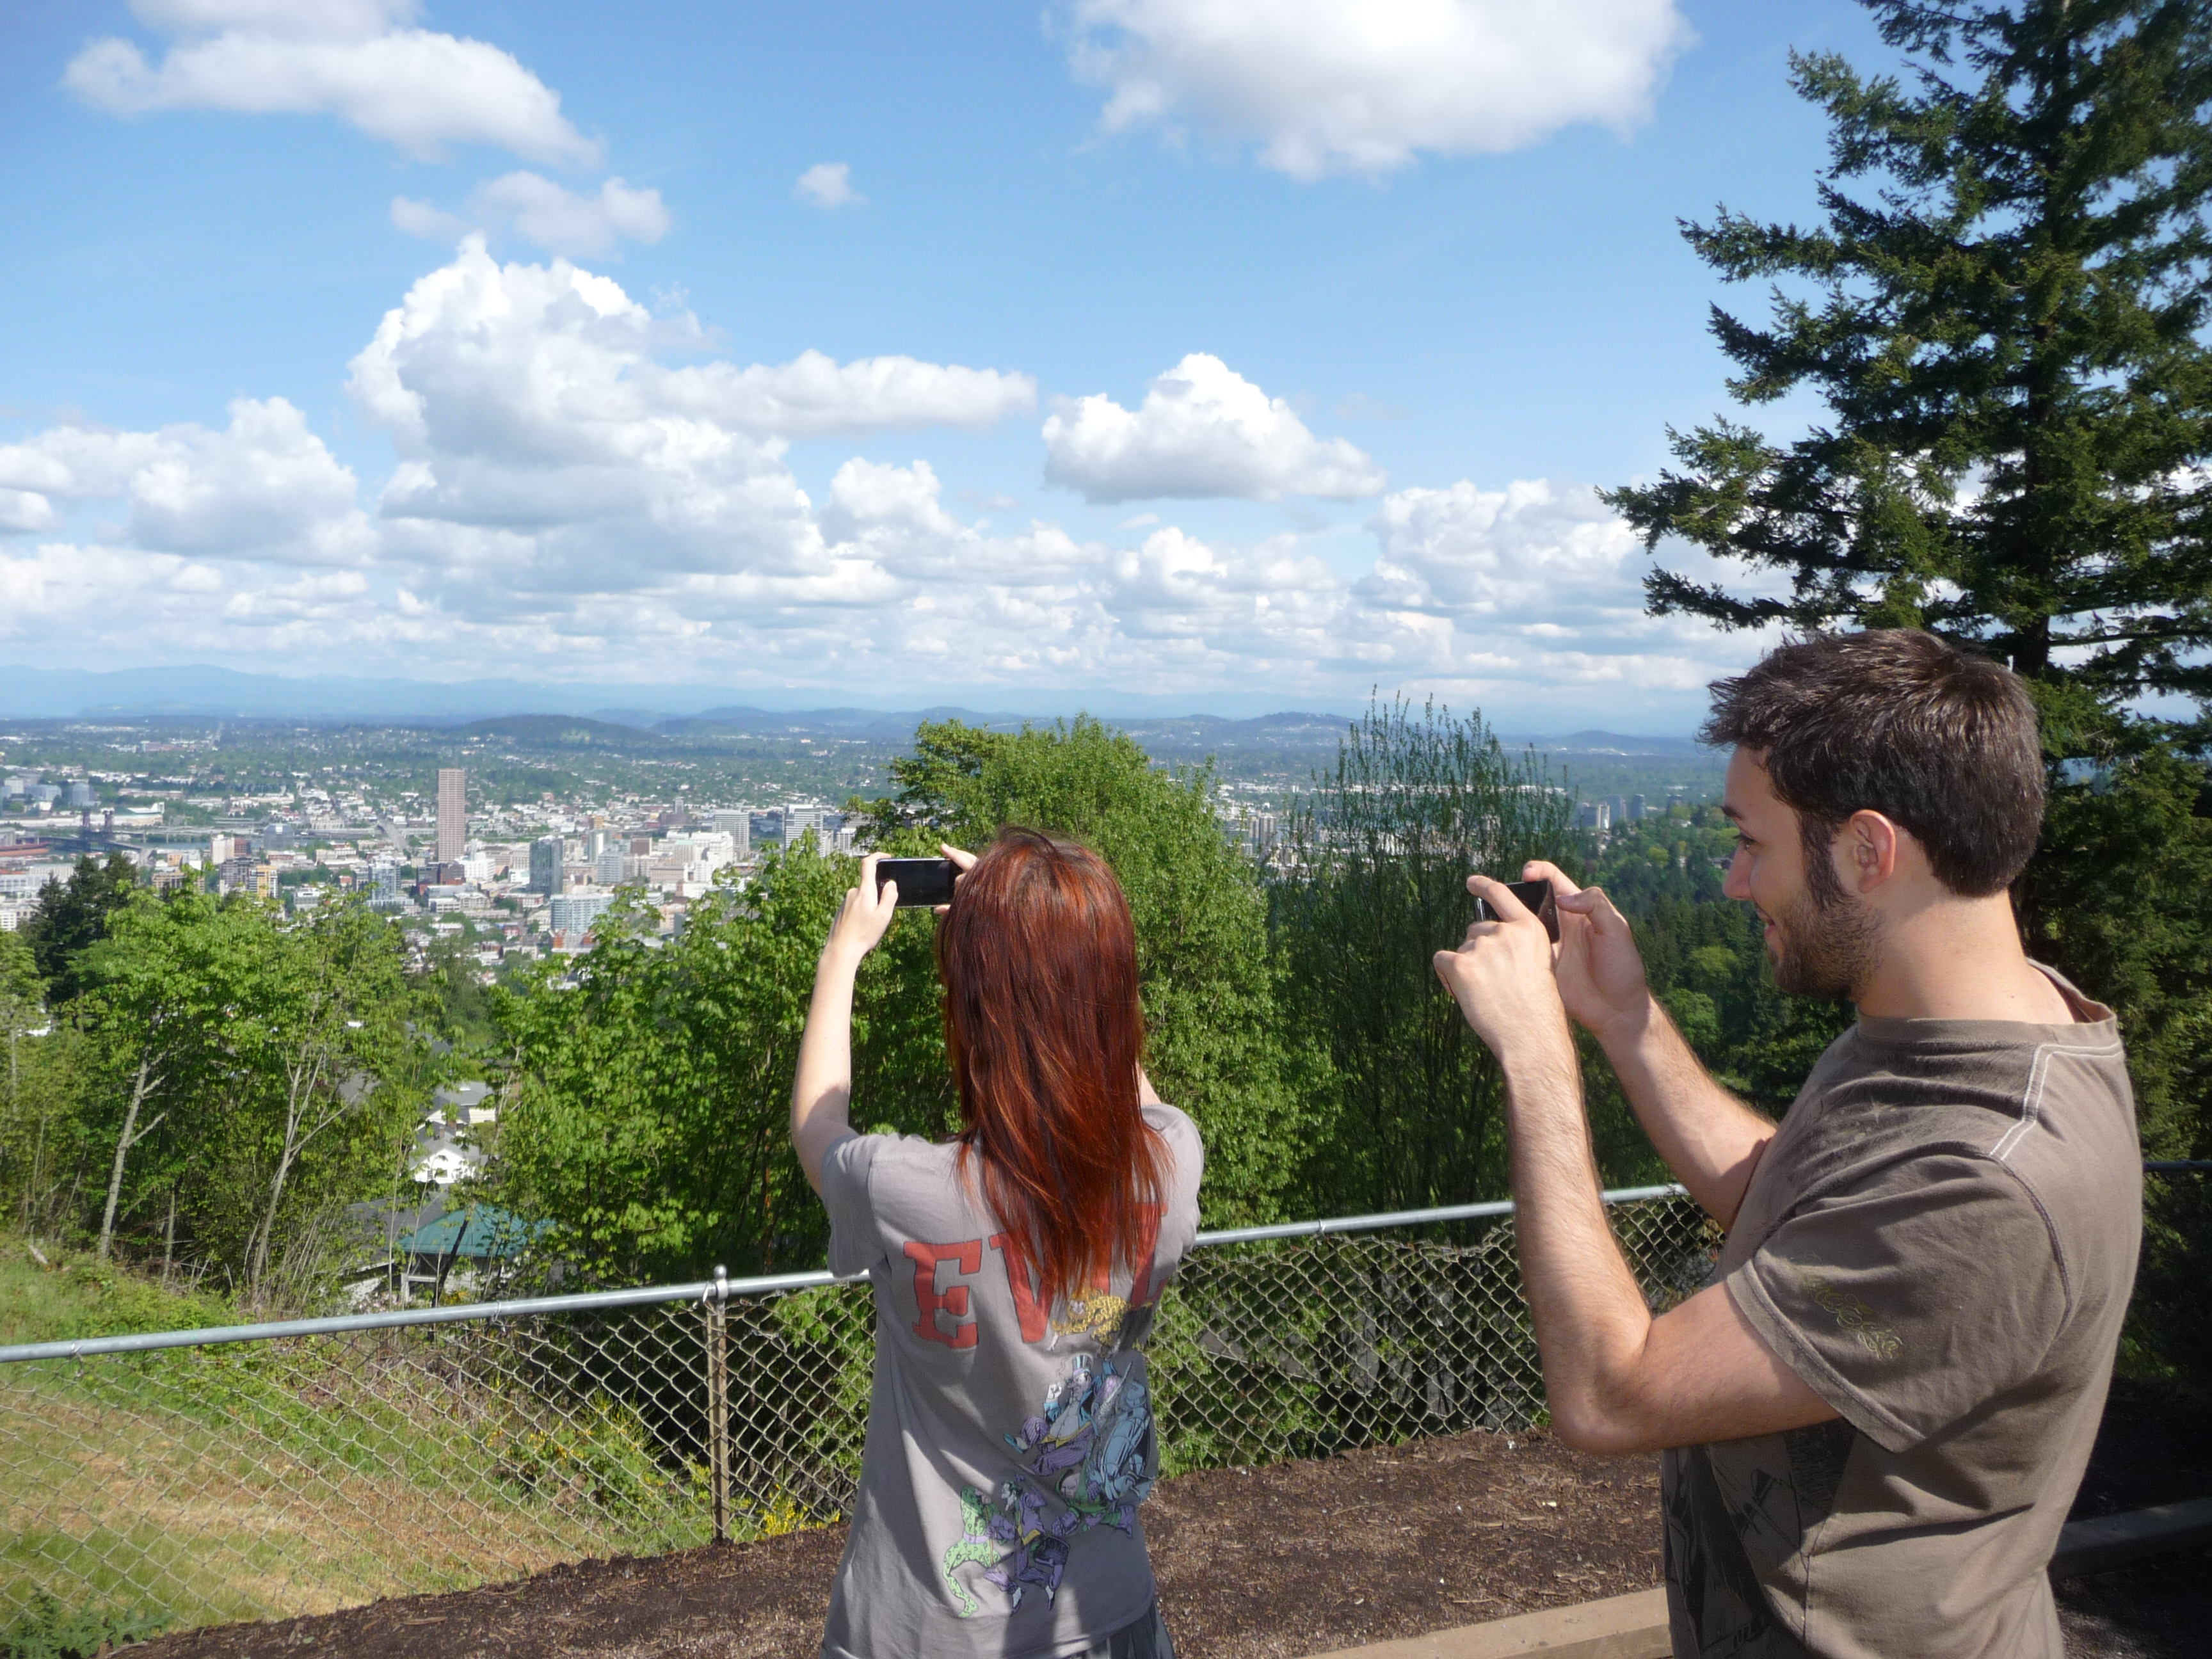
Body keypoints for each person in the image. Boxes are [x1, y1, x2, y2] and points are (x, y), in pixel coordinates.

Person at [1431, 630, 2140, 1659]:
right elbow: (1807, 1208)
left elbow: (1612, 1392)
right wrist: (1625, 1022)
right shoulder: (1940, 1037)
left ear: (1867, 850)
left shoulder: (1992, 1182)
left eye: (1752, 842)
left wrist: (1536, 1056)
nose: (1733, 882)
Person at [790, 828, 1203, 1659]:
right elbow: (1123, 1080)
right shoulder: (1168, 1165)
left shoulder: (910, 1191)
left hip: (922, 1630)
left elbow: (817, 1128)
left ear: (975, 1009)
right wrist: (1058, 942)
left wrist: (843, 959)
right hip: (1110, 1614)